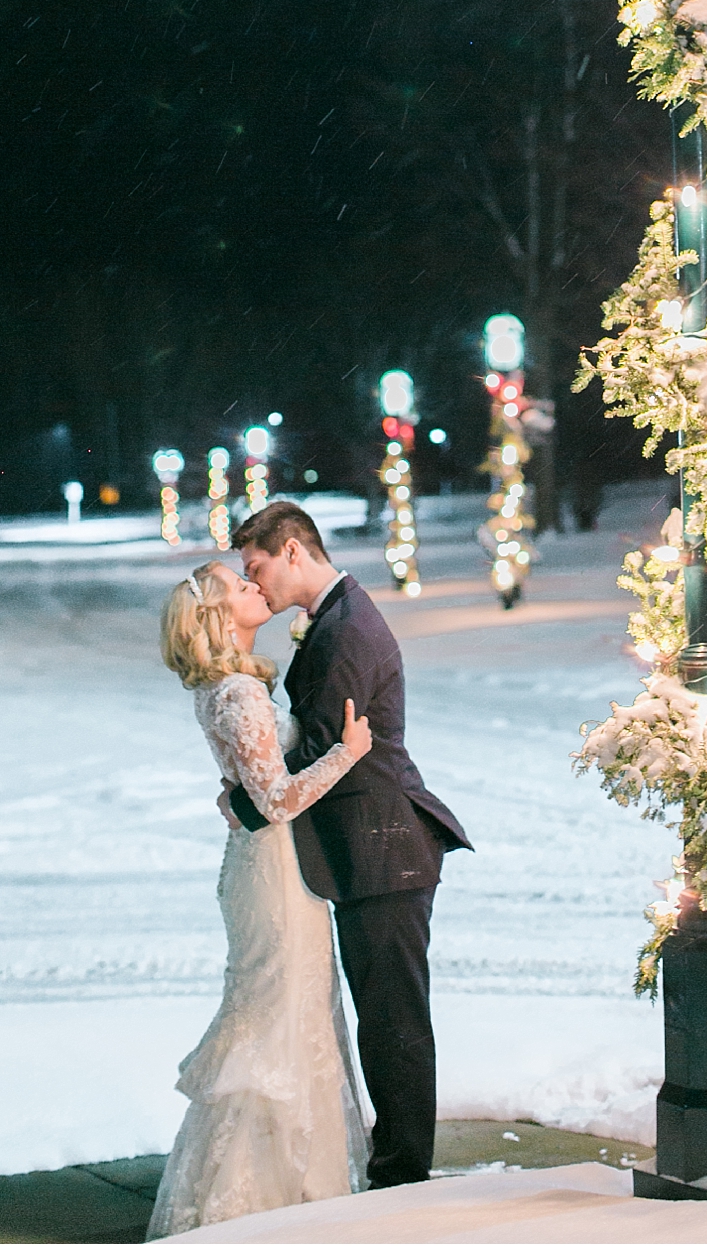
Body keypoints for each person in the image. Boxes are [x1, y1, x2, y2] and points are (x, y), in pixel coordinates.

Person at [227, 501, 472, 1191]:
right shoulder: (335, 620)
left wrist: (249, 795)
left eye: (258, 566)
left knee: (393, 1020)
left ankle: (403, 1173)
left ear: (295, 550)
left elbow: (323, 746)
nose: (258, 583)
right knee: (385, 1015)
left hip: (385, 847)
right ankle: (395, 1160)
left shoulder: (346, 630)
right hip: (368, 846)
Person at [147, 560, 373, 1239]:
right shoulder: (238, 694)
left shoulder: (230, 683)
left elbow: (249, 789)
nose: (255, 587)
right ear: (218, 614)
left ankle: (296, 1181)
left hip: (265, 866)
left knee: (292, 1008)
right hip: (272, 872)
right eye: (238, 585)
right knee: (279, 1014)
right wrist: (346, 753)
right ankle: (255, 1196)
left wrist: (236, 796)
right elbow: (275, 799)